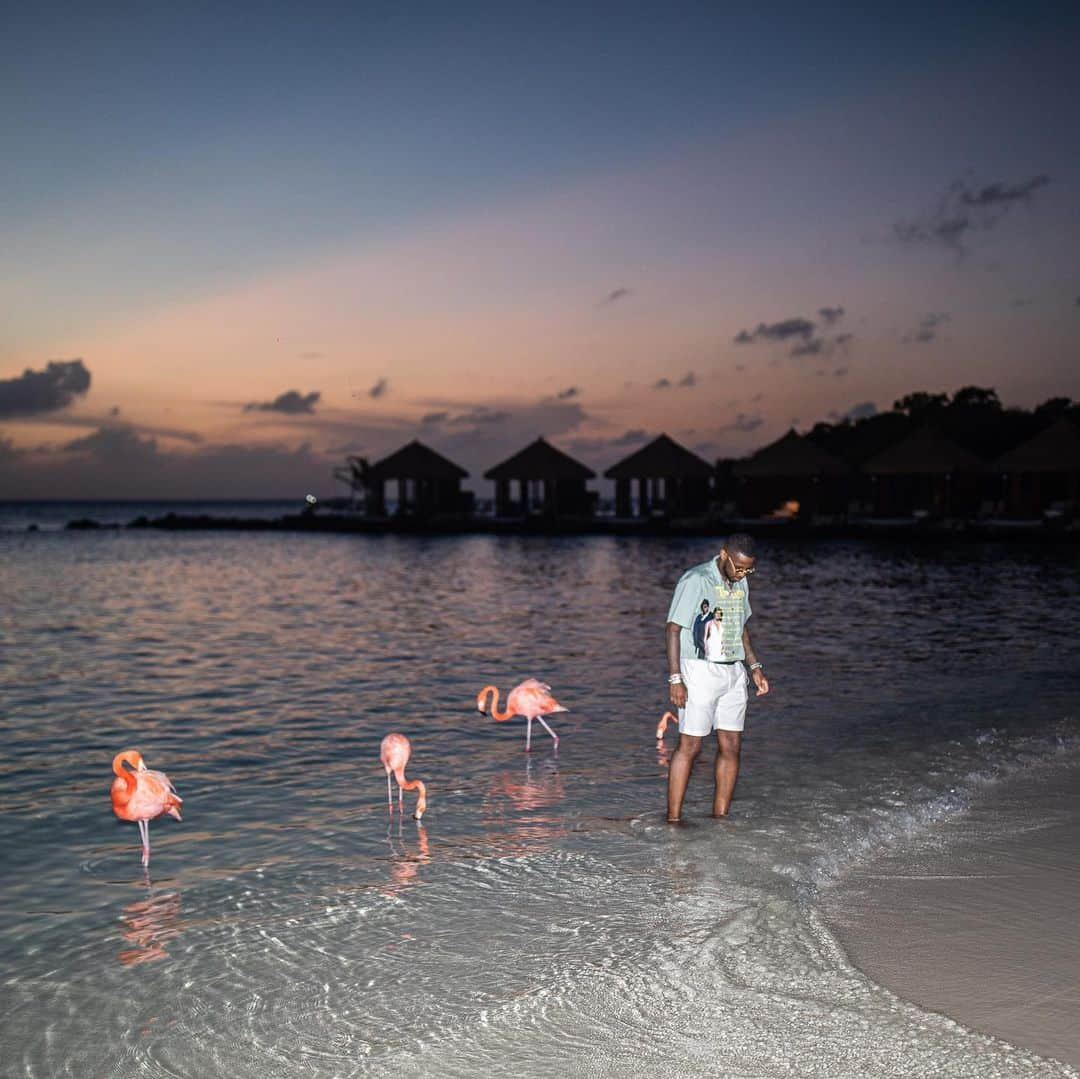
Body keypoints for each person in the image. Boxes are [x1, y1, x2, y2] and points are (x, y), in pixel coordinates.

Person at [664, 534, 769, 822]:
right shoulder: (695, 580)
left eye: (748, 569)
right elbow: (673, 628)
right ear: (723, 555)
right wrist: (676, 679)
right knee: (691, 745)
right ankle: (673, 821)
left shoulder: (741, 581)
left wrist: (754, 666)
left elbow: (741, 626)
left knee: (732, 745)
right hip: (699, 669)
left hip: (734, 671)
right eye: (738, 567)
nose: (742, 573)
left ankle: (720, 819)